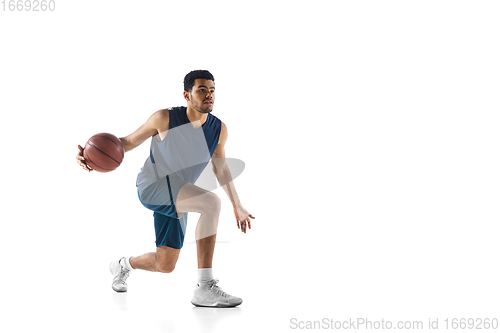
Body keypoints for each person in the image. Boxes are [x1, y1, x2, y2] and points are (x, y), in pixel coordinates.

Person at [76, 70, 255, 308]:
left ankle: (122, 265)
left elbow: (220, 169)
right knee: (211, 203)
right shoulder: (164, 118)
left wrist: (238, 205)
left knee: (165, 264)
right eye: (201, 90)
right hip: (153, 185)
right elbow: (128, 142)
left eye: (212, 90)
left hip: (180, 193)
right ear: (187, 94)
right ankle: (204, 288)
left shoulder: (219, 129)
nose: (208, 95)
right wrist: (89, 156)